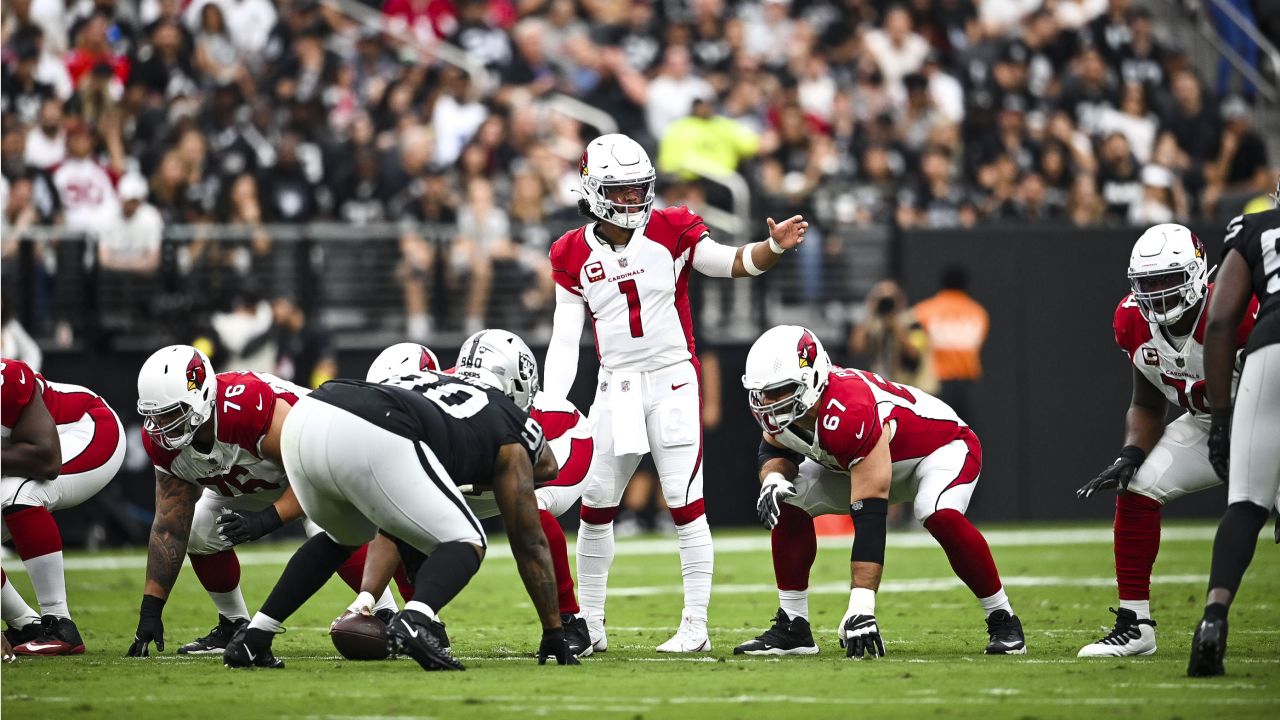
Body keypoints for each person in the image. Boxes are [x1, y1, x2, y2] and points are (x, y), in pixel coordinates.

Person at [545, 133, 808, 653]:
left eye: (639, 189)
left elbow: (733, 262)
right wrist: (553, 403)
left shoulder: (671, 227)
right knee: (596, 506)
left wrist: (772, 247)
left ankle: (695, 625)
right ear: (594, 190)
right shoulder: (569, 251)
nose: (632, 200)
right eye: (620, 191)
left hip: (671, 380)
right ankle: (590, 625)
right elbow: (562, 336)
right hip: (614, 385)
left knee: (686, 504)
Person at [221, 352, 577, 670]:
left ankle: (254, 638)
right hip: (375, 426)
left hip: (310, 412)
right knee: (467, 538)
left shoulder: (433, 386)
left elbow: (393, 522)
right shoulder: (511, 425)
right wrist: (553, 629)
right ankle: (416, 619)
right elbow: (533, 527)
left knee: (343, 536)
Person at [735, 325, 1024, 658]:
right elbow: (774, 452)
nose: (769, 404)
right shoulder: (792, 409)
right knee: (787, 498)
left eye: (780, 391)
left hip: (938, 451)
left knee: (936, 512)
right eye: (763, 394)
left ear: (812, 379)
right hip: (866, 463)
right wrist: (772, 479)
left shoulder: (848, 411)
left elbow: (870, 516)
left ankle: (1003, 618)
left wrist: (862, 607)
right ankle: (793, 627)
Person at [125, 345, 398, 657]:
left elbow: (311, 473)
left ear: (200, 398)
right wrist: (151, 610)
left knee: (331, 527)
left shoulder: (245, 407)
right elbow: (170, 527)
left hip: (321, 465)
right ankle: (232, 624)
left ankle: (386, 614)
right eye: (154, 417)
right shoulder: (164, 442)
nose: (161, 427)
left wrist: (266, 519)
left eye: (172, 413)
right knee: (199, 529)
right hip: (255, 481)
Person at [339, 334, 596, 657]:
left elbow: (543, 468)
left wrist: (473, 482)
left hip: (560, 446)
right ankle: (422, 620)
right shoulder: (428, 395)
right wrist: (364, 601)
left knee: (531, 510)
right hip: (484, 458)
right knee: (401, 514)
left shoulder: (517, 409)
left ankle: (570, 621)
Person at [1075, 224, 1258, 658]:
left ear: (1197, 274)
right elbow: (1147, 404)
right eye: (1147, 283)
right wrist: (1131, 453)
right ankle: (1135, 625)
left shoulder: (1239, 308)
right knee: (1138, 487)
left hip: (1264, 422)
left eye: (1166, 281)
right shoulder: (1131, 320)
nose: (1156, 294)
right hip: (1205, 425)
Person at [1188, 187, 1280, 676]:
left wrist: (1221, 417)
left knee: (1246, 502)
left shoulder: (1255, 228)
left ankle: (1213, 621)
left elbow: (1220, 322)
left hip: (1271, 350)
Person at [2, 358, 126, 655]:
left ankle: (59, 624)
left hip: (87, 429)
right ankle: (24, 624)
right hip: (38, 451)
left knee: (17, 493)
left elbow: (47, 460)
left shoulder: (6, 380)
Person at [913, 266, 988, 423]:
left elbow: (914, 344)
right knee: (967, 436)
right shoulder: (978, 312)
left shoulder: (925, 310)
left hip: (934, 385)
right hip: (966, 385)